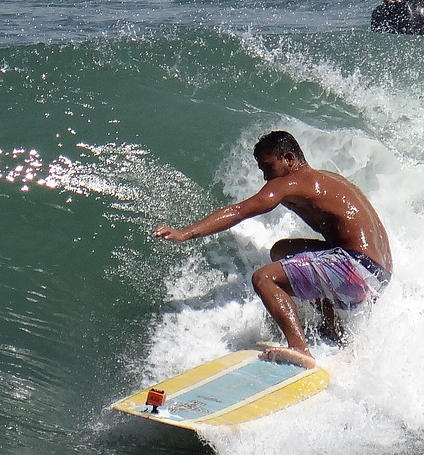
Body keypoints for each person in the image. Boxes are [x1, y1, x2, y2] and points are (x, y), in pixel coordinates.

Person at [152, 130, 392, 368]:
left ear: (288, 159)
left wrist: (186, 233)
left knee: (264, 278)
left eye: (267, 166)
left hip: (354, 270)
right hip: (377, 277)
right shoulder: (328, 180)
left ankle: (300, 350)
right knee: (282, 250)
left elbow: (239, 211)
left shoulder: (289, 182)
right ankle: (332, 327)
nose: (266, 177)